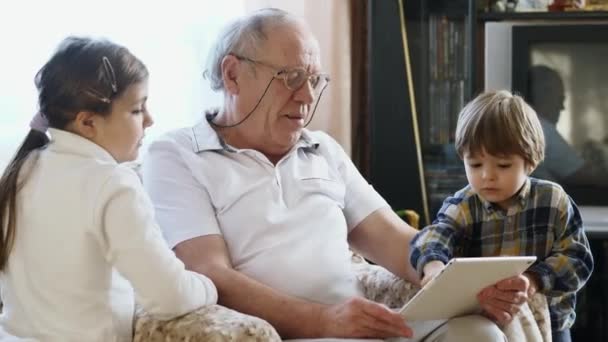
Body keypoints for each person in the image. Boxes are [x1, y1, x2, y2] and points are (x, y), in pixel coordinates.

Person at [142, 8, 529, 341]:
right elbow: (208, 272)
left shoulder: (322, 149)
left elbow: (395, 239)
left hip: (357, 325)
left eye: (313, 80)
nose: (307, 97)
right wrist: (322, 320)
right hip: (284, 332)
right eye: (292, 77)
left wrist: (453, 276)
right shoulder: (177, 154)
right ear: (232, 74)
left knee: (479, 332)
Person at [0, 37, 217, 341]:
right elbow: (169, 297)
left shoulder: (22, 170)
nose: (150, 120)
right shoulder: (112, 183)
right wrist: (207, 285)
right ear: (88, 122)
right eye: (137, 110)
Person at [410, 90, 594, 342]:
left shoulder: (554, 200)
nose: (487, 176)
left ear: (530, 162)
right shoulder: (464, 204)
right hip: (485, 321)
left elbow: (578, 258)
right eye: (475, 164)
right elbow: (435, 235)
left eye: (503, 165)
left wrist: (533, 280)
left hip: (550, 322)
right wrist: (433, 266)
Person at [528, 64, 607, 186]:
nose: (562, 107)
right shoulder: (541, 129)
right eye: (561, 99)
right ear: (545, 95)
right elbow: (591, 178)